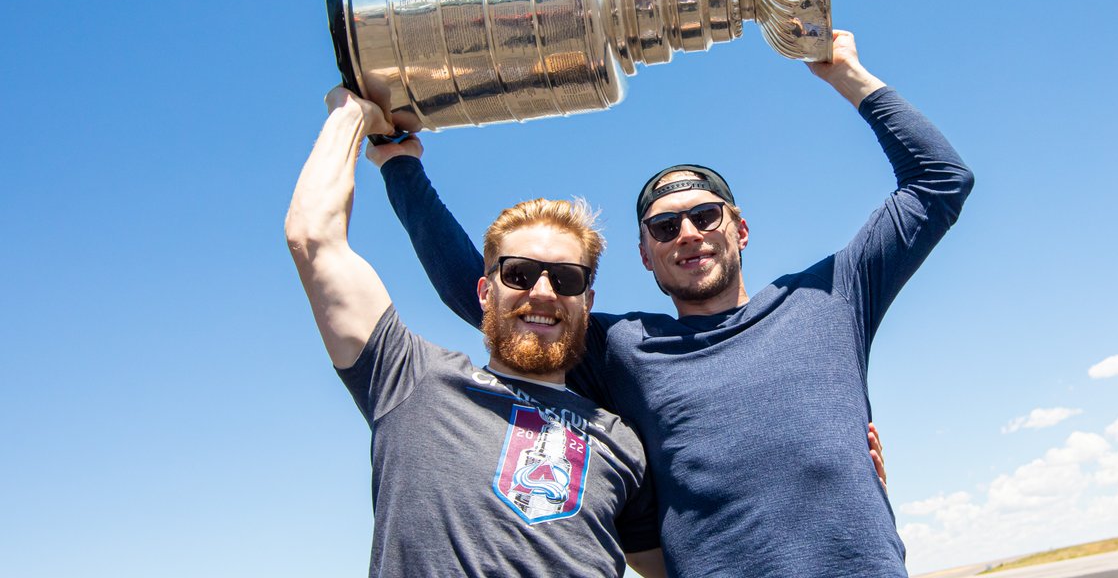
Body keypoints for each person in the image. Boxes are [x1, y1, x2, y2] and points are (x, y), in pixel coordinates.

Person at [376, 30, 970, 576]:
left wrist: (847, 74)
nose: (687, 233)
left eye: (705, 215)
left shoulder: (829, 296)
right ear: (645, 256)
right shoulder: (625, 349)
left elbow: (941, 181)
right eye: (664, 228)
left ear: (738, 228)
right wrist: (402, 165)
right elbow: (478, 291)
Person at [285, 87, 667, 578]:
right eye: (519, 274)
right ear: (485, 292)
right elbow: (313, 240)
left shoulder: (623, 443)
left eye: (567, 279)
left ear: (587, 302)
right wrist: (353, 114)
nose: (544, 293)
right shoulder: (410, 379)